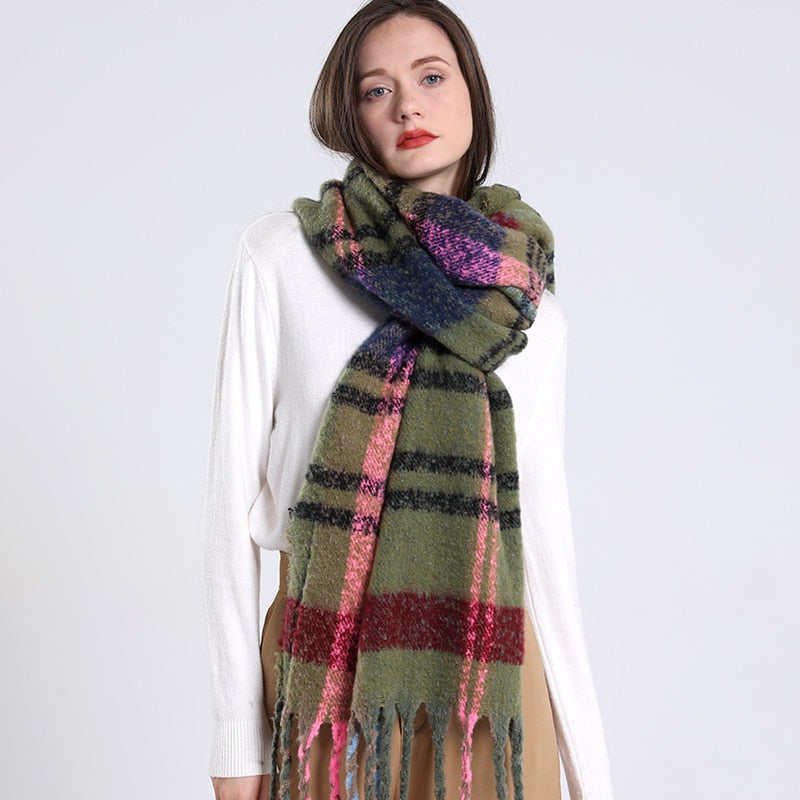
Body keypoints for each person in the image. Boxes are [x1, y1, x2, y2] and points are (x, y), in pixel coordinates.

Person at [204, 1, 614, 799]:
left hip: (490, 692)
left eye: (431, 77)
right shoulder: (281, 259)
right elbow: (227, 511)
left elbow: (544, 544)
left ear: (473, 92)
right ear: (350, 114)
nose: (407, 107)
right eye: (377, 89)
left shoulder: (532, 313)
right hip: (327, 673)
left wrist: (592, 776)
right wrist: (234, 741)